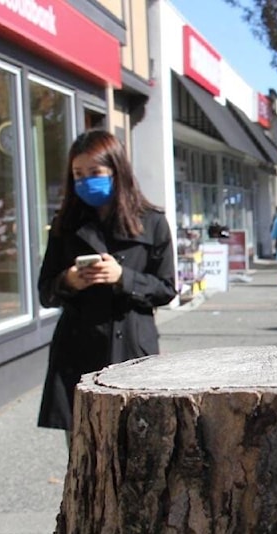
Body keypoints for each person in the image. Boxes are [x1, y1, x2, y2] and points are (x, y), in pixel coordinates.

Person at [37, 130, 177, 435]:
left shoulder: (151, 221)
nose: (86, 180)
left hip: (132, 346)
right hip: (78, 350)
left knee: (140, 446)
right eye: (78, 174)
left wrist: (123, 278)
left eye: (95, 172)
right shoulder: (65, 225)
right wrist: (69, 280)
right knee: (85, 449)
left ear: (116, 171)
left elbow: (166, 289)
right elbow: (45, 292)